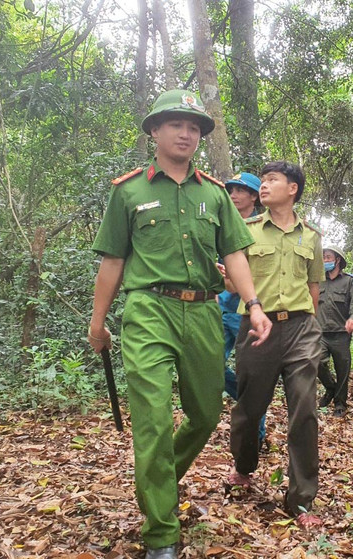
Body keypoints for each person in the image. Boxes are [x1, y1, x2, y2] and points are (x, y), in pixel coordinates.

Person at [87, 89, 272, 559]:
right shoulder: (128, 191)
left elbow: (234, 253)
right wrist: (98, 322)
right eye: (176, 124)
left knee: (207, 415)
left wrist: (253, 304)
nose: (187, 133)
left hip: (206, 310)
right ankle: (161, 533)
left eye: (194, 127)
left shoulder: (214, 193)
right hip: (149, 308)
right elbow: (112, 260)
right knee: (150, 420)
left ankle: (157, 480)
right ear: (154, 131)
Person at [227, 160, 325, 528]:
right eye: (263, 180)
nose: (263, 186)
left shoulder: (311, 236)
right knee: (250, 407)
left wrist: (308, 323)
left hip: (301, 328)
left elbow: (314, 287)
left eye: (271, 180)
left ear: (293, 189)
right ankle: (244, 466)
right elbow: (234, 284)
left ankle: (300, 500)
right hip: (256, 327)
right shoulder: (246, 229)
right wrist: (228, 282)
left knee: (304, 410)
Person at [220, 172, 267, 447]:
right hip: (218, 307)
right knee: (211, 366)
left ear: (254, 196)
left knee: (250, 375)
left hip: (247, 312)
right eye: (231, 190)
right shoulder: (218, 225)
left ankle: (255, 436)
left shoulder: (261, 230)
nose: (234, 195)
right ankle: (250, 403)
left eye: (240, 190)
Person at [316, 247, 353, 417]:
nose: (325, 260)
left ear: (338, 260)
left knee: (343, 368)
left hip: (341, 333)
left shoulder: (349, 282)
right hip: (320, 332)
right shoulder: (317, 280)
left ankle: (340, 404)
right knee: (316, 362)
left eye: (328, 257)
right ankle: (331, 388)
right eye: (323, 257)